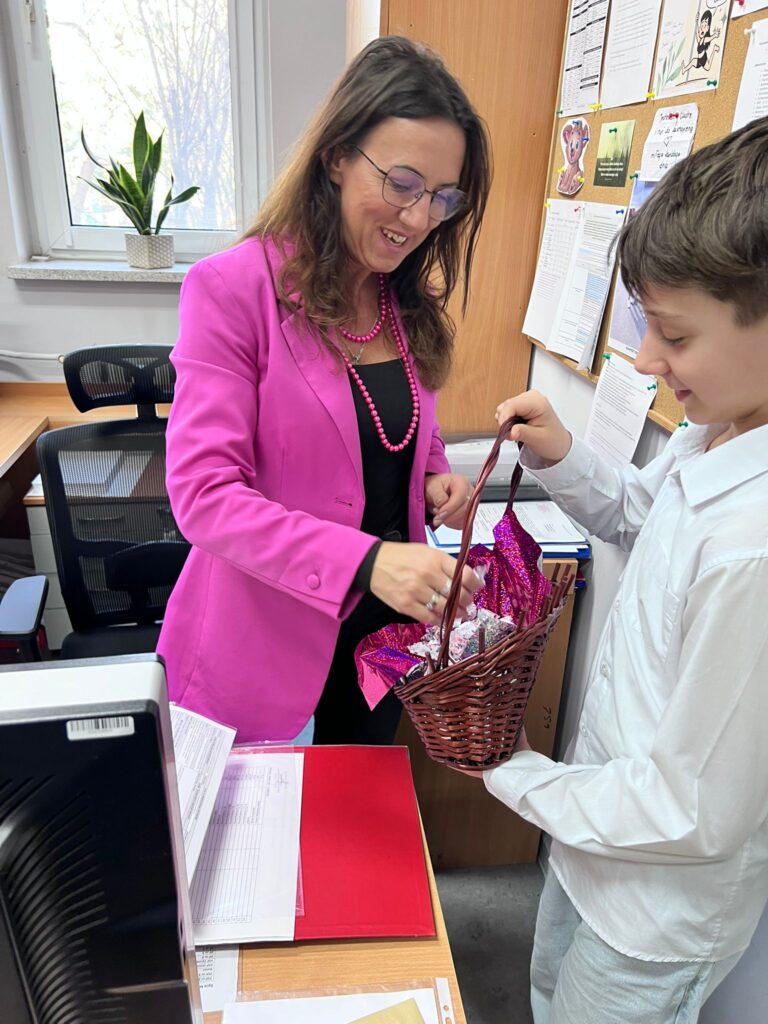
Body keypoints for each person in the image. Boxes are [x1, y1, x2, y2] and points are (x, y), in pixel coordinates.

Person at [488, 117, 768, 1024]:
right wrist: (563, 453)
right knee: (547, 994)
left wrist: (513, 774)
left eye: (673, 337)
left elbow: (693, 809)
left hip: (654, 909)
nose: (647, 361)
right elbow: (644, 519)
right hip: (595, 835)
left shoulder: (755, 549)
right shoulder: (720, 428)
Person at [158, 36, 491, 746]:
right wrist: (367, 561)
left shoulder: (408, 299)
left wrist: (433, 474)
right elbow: (204, 496)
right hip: (260, 643)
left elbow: (396, 424)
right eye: (401, 183)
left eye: (442, 198)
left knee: (359, 806)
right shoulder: (234, 290)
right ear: (337, 157)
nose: (418, 218)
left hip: (383, 645)